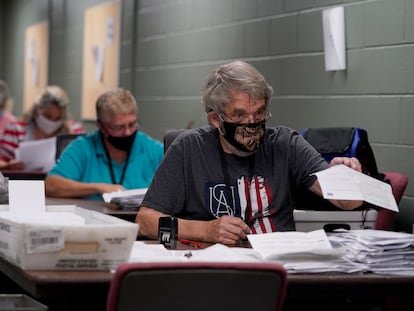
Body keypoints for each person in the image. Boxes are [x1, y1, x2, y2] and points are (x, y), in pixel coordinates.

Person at [136, 60, 363, 245]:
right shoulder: (189, 148)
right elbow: (146, 222)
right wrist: (206, 230)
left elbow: (349, 204)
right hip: (214, 272)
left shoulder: (285, 144)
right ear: (215, 119)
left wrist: (347, 179)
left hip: (279, 267)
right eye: (239, 115)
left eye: (259, 113)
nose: (251, 123)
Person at [44, 88, 164, 200]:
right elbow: (51, 185)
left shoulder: (153, 150)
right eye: (118, 127)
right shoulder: (82, 148)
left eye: (132, 124)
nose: (127, 132)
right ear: (101, 126)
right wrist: (97, 187)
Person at [0, 85, 84, 170]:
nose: (52, 122)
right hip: (24, 181)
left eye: (58, 118)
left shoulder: (74, 131)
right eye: (48, 116)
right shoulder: (16, 129)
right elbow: (1, 161)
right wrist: (8, 165)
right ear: (36, 111)